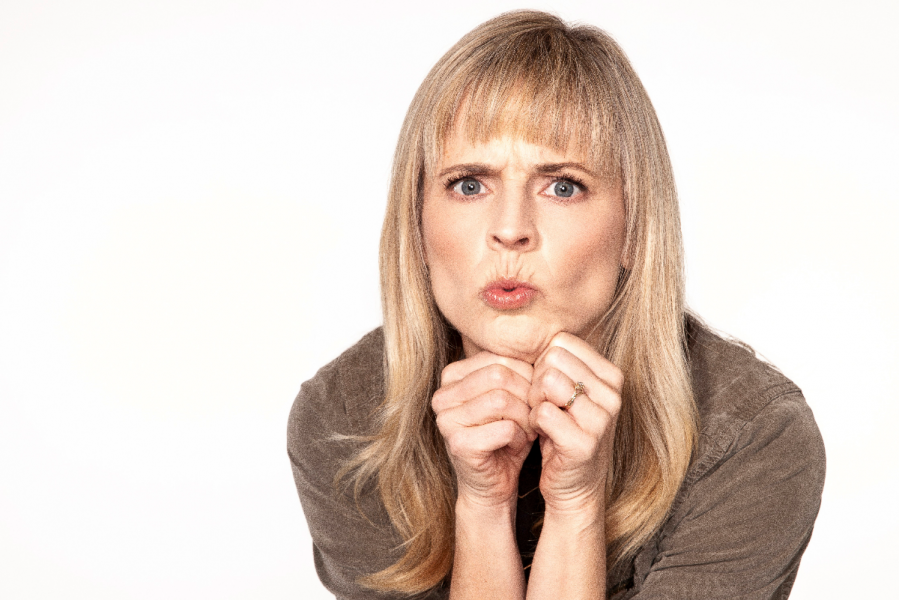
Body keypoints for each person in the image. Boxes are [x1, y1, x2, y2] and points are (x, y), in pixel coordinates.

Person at [287, 10, 825, 600]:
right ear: (416, 225)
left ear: (633, 229)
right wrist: (482, 506)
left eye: (562, 186)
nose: (510, 228)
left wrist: (577, 505)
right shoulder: (345, 421)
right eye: (469, 184)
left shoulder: (753, 436)